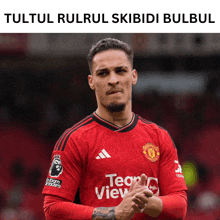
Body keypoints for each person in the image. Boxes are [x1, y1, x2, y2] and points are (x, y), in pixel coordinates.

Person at [42, 38, 187, 220]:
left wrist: (145, 203)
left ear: (133, 76)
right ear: (91, 81)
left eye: (120, 71)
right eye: (103, 73)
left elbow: (180, 207)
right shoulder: (74, 140)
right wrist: (114, 214)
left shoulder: (159, 137)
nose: (113, 80)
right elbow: (52, 209)